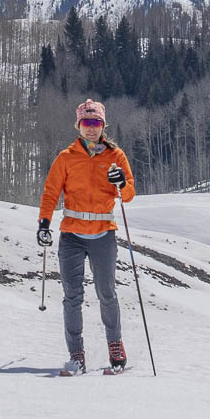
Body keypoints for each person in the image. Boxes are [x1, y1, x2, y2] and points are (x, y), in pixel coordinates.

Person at [38, 98, 136, 375]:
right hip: (72, 235)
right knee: (72, 296)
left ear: (103, 126)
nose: (91, 128)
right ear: (78, 126)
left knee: (106, 293)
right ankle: (76, 354)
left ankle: (115, 345)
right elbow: (51, 192)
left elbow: (129, 193)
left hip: (104, 234)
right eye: (86, 123)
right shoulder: (66, 157)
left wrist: (121, 184)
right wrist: (44, 223)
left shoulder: (115, 156)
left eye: (96, 123)